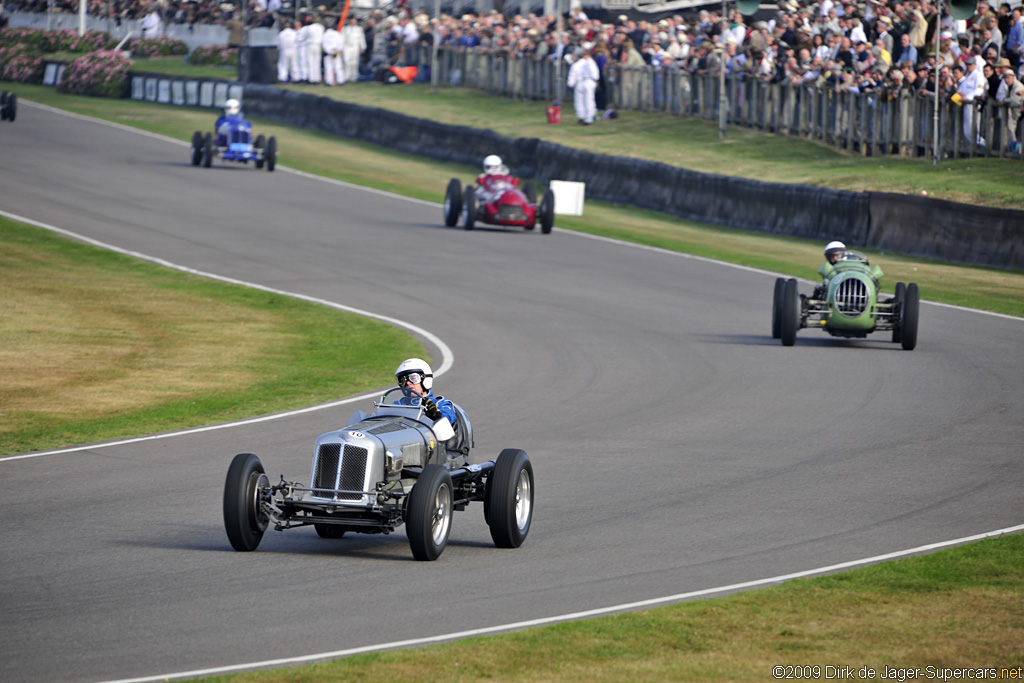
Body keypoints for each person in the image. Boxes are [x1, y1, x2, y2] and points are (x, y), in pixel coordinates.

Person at [393, 358, 456, 426]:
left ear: (425, 379)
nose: (408, 383)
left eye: (413, 378)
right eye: (403, 380)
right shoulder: (398, 405)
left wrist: (436, 416)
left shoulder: (440, 403)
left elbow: (448, 419)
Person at [567, 43, 599, 125]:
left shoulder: (578, 64)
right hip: (587, 82)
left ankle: (583, 117)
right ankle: (590, 116)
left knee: (581, 101)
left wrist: (570, 84)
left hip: (582, 83)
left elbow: (572, 76)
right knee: (589, 100)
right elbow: (595, 75)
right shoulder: (589, 62)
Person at [341, 15, 368, 84]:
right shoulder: (346, 28)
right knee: (347, 61)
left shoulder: (359, 29)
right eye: (352, 20)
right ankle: (347, 76)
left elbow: (361, 38)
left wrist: (363, 47)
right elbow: (342, 38)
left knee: (355, 62)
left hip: (355, 47)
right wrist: (341, 47)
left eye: (354, 20)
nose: (353, 21)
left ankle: (354, 77)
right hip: (347, 47)